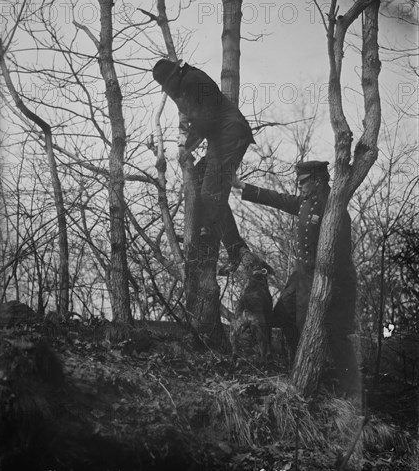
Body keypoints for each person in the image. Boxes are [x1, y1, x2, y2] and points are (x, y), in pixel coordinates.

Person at [233, 160, 361, 396]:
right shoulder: (307, 201)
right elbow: (280, 199)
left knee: (329, 334)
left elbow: (340, 254)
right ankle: (297, 367)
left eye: (303, 181)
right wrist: (242, 186)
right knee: (281, 316)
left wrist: (327, 286)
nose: (299, 186)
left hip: (326, 279)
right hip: (301, 276)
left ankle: (345, 390)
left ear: (318, 180)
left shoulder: (333, 208)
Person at [152, 59, 255, 274]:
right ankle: (206, 229)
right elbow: (192, 118)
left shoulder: (192, 80)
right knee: (199, 178)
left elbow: (204, 121)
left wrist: (186, 147)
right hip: (223, 138)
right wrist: (183, 144)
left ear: (175, 76)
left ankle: (236, 250)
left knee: (210, 193)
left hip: (231, 136)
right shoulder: (186, 82)